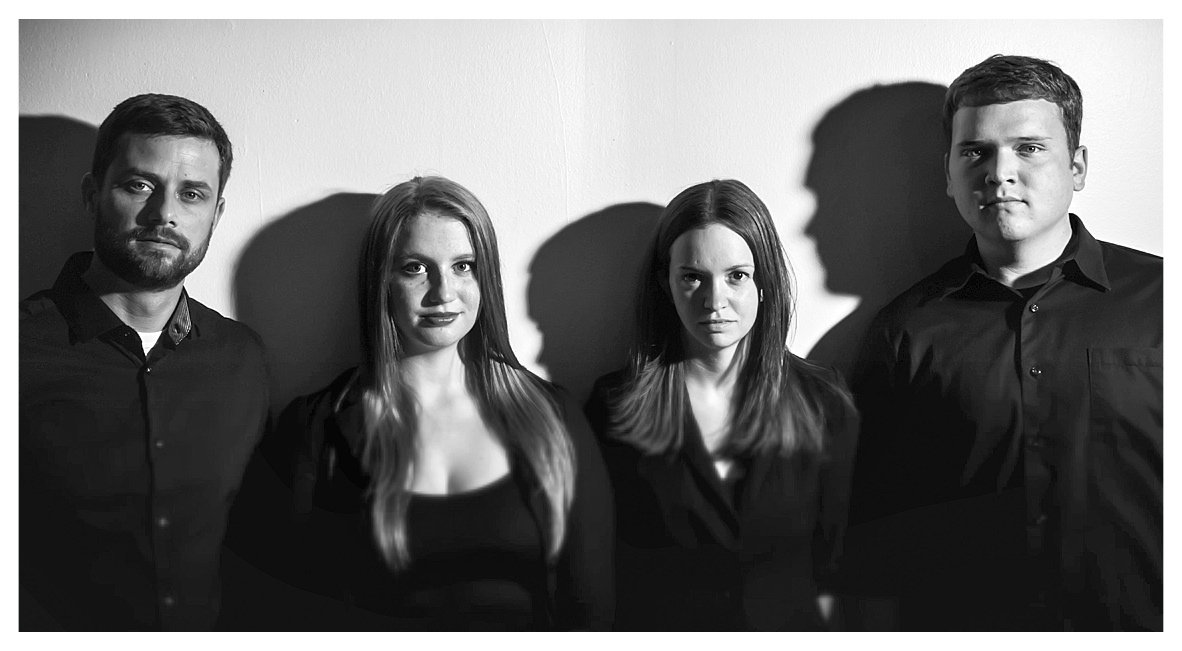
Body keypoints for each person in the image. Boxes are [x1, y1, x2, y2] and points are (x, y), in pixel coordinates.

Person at [848, 54, 1162, 630]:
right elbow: (876, 538)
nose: (999, 173)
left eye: (1030, 147)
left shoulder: (1167, 301)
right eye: (975, 152)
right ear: (948, 174)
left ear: (1078, 166)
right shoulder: (904, 330)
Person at [276, 175, 613, 630]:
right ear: (381, 280)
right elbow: (288, 610)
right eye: (415, 267)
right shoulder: (315, 429)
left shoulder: (553, 416)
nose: (443, 293)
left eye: (463, 266)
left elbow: (592, 610)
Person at [20, 93, 269, 630]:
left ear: (216, 214)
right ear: (93, 195)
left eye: (192, 194)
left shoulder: (242, 360)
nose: (165, 215)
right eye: (139, 185)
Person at [585, 179, 858, 631]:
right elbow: (600, 573)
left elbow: (842, 569)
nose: (715, 302)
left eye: (737, 276)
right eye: (692, 277)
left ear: (764, 281)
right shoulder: (614, 408)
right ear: (665, 284)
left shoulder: (824, 402)